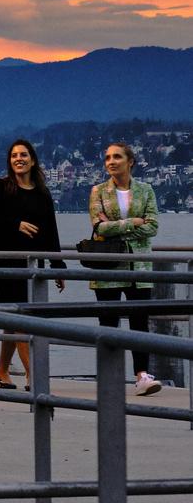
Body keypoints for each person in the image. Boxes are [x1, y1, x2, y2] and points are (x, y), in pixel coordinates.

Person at [0, 139, 66, 390]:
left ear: (33, 160)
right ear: (10, 161)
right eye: (14, 155)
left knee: (13, 319)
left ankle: (2, 370)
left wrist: (57, 266)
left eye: (24, 154)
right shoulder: (0, 187)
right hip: (6, 264)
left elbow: (51, 232)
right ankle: (33, 375)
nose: (19, 158)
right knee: (20, 318)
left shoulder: (42, 193)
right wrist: (15, 224)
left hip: (33, 266)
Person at [89, 142, 161, 396]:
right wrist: (133, 222)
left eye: (117, 157)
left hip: (139, 266)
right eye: (108, 157)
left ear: (130, 161)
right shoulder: (98, 191)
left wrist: (117, 225)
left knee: (139, 322)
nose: (111, 161)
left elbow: (152, 226)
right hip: (108, 266)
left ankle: (142, 375)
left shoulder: (146, 190)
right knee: (108, 321)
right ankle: (109, 377)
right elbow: (99, 227)